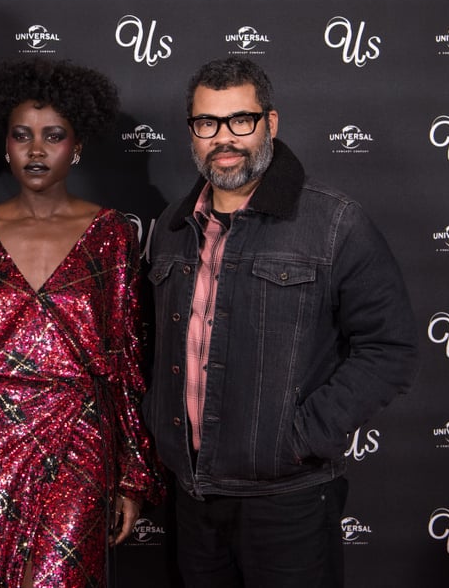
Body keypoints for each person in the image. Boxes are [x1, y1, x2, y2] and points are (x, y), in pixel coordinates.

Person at [142, 56, 420, 587]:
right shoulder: (173, 226)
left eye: (240, 121)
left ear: (270, 123)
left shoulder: (333, 222)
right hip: (191, 498)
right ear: (193, 134)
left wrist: (298, 435)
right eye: (207, 124)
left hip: (287, 498)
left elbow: (391, 347)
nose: (224, 139)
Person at [0, 58, 164, 588]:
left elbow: (127, 356)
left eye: (53, 136)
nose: (37, 150)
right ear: (6, 145)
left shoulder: (112, 234)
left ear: (78, 146)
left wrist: (133, 474)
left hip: (81, 436)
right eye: (22, 136)